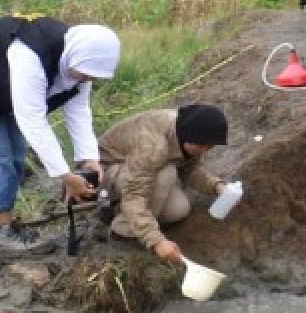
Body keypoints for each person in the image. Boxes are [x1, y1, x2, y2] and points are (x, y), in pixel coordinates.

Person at [0, 14, 120, 251]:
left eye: (92, 76)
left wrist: (89, 158)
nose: (87, 79)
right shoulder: (31, 54)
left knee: (16, 154)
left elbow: (79, 111)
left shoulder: (81, 62)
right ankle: (1, 230)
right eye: (84, 74)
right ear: (75, 56)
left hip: (1, 85)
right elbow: (33, 119)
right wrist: (64, 175)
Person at [98, 105, 230, 262]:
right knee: (166, 173)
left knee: (178, 209)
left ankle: (128, 214)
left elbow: (190, 170)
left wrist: (217, 186)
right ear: (189, 136)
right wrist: (156, 241)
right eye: (204, 146)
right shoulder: (154, 146)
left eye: (210, 147)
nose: (206, 150)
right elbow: (135, 194)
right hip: (105, 173)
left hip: (139, 172)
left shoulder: (188, 133)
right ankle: (124, 229)